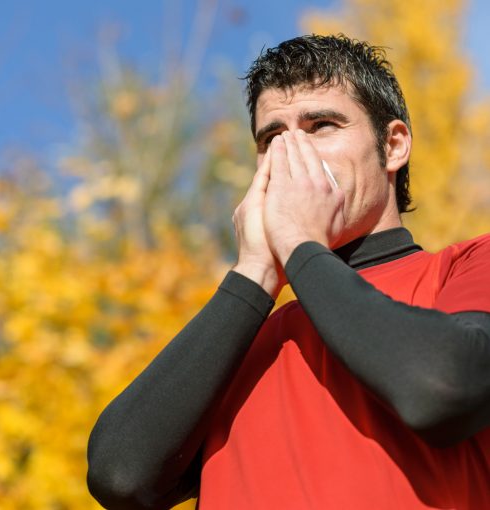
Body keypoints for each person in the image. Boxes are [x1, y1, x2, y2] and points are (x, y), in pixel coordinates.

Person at [86, 34, 490, 509]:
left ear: (394, 145)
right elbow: (120, 476)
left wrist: (299, 241)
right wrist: (254, 274)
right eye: (272, 138)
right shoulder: (242, 340)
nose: (292, 155)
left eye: (321, 125)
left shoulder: (465, 267)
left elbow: (440, 389)